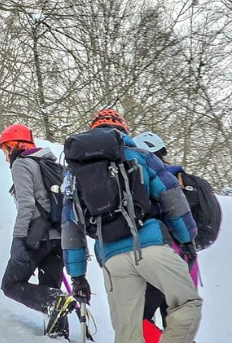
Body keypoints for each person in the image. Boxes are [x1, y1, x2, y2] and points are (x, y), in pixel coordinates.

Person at [62, 109, 202, 343]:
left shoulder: (75, 173)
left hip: (111, 260)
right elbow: (172, 199)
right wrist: (187, 240)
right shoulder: (141, 156)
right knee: (187, 303)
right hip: (151, 247)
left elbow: (71, 225)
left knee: (128, 332)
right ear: (124, 132)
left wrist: (77, 277)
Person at [0, 124, 69, 338]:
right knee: (50, 289)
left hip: (37, 237)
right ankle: (58, 336)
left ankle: (55, 300)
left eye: (5, 150)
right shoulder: (49, 163)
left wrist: (18, 239)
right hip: (59, 237)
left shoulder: (22, 163)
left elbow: (27, 205)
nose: (6, 157)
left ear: (14, 146)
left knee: (10, 285)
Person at [133, 131, 202, 337]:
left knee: (138, 318)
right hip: (188, 258)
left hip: (160, 258)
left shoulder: (150, 183)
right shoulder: (180, 179)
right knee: (177, 318)